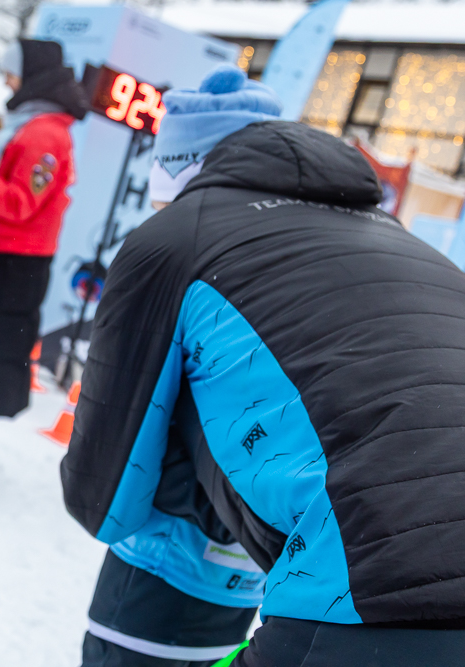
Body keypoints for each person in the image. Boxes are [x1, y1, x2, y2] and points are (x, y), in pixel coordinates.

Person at [65, 64, 465, 666]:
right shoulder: (398, 239)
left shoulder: (172, 238)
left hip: (375, 582)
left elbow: (104, 497)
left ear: (176, 177)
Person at [0, 39, 89, 417]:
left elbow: (19, 203)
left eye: (11, 73)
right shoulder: (33, 124)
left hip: (10, 265)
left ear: (30, 77)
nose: (8, 82)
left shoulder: (45, 133)